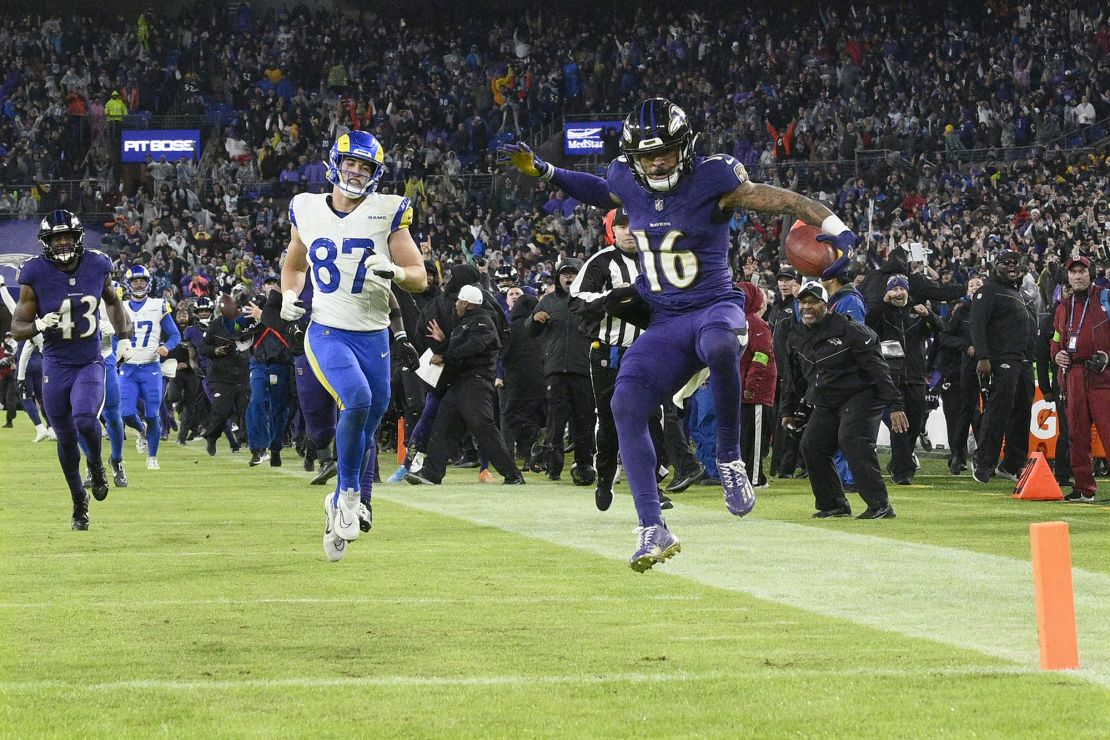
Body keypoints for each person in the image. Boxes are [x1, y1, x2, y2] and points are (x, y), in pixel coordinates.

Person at [501, 98, 860, 572]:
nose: (657, 161)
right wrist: (546, 170)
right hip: (666, 321)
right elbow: (598, 188)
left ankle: (730, 458)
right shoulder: (626, 179)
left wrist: (842, 231)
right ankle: (653, 526)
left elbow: (788, 201)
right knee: (624, 403)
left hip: (714, 306)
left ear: (684, 146)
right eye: (647, 154)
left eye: (666, 150)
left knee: (718, 346)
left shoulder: (714, 178)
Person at [279, 130, 426, 562]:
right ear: (335, 162)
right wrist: (290, 295)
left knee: (366, 422)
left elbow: (419, 274)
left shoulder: (387, 211)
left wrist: (395, 273)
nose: (357, 172)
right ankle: (346, 496)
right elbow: (293, 265)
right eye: (352, 163)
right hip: (327, 329)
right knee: (356, 400)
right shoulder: (305, 207)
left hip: (374, 333)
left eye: (365, 167)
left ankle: (348, 510)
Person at [10, 210, 131, 530]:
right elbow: (17, 326)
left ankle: (96, 465)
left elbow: (113, 301)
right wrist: (37, 324)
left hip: (89, 359)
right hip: (55, 363)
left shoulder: (97, 264)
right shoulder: (34, 273)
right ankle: (79, 502)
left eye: (67, 237)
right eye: (56, 238)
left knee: (84, 418)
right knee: (65, 439)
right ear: (46, 242)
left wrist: (125, 337)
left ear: (78, 238)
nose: (62, 243)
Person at [779, 282, 904, 519]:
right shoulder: (796, 337)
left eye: (813, 302)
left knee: (852, 439)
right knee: (811, 445)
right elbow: (793, 379)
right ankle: (834, 505)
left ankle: (881, 505)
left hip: (863, 394)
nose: (807, 307)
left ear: (826, 305)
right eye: (803, 302)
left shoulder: (851, 330)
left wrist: (895, 404)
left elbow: (878, 369)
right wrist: (788, 411)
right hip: (828, 400)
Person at [405, 284, 524, 485]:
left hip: (476, 384)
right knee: (442, 427)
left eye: (459, 301)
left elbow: (475, 347)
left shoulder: (483, 322)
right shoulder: (465, 323)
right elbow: (461, 349)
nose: (456, 305)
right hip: (459, 384)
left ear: (467, 304)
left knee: (483, 427)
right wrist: (443, 343)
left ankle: (513, 474)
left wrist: (444, 355)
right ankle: (432, 473)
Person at [969, 250, 1037, 484]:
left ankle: (1012, 463)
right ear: (995, 266)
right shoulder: (987, 290)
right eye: (1005, 263)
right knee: (999, 410)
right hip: (1001, 358)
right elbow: (976, 325)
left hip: (1023, 361)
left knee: (1022, 413)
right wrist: (983, 356)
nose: (1011, 266)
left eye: (1015, 263)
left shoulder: (1016, 293)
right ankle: (983, 461)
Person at [866, 274, 940, 485]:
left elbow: (941, 329)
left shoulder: (917, 312)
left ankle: (899, 463)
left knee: (914, 424)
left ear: (907, 291)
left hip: (916, 377)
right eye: (894, 289)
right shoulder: (881, 314)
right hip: (890, 379)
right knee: (898, 425)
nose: (898, 293)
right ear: (888, 292)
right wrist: (882, 304)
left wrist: (929, 316)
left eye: (901, 289)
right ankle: (902, 472)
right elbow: (867, 325)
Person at [529, 259, 596, 485]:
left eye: (573, 273)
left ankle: (584, 466)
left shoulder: (590, 299)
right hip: (556, 369)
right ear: (558, 278)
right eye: (564, 274)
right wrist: (534, 320)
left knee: (584, 420)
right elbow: (530, 331)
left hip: (583, 369)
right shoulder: (547, 301)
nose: (568, 277)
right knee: (555, 422)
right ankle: (554, 466)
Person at [1050, 256, 1110, 503]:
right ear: (1067, 277)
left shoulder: (1105, 298)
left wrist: (1108, 356)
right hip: (1074, 376)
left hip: (1103, 375)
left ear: (1090, 273)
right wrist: (1057, 355)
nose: (1077, 276)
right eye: (1073, 272)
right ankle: (1084, 488)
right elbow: (1055, 339)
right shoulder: (1063, 306)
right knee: (1076, 434)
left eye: (1082, 271)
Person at [118, 265, 181, 470]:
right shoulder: (121, 307)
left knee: (153, 414)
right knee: (126, 413)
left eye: (142, 280)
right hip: (128, 368)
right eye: (135, 280)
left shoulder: (158, 305)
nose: (139, 284)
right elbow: (111, 335)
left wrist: (166, 347)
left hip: (151, 368)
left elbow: (175, 335)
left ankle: (152, 457)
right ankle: (141, 430)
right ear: (129, 283)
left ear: (148, 282)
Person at [244, 276, 292, 467]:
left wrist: (262, 316)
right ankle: (258, 448)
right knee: (256, 401)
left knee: (279, 409)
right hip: (259, 363)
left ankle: (275, 447)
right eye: (269, 285)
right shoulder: (255, 306)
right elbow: (239, 330)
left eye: (275, 285)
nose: (271, 288)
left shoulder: (290, 308)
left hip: (282, 364)